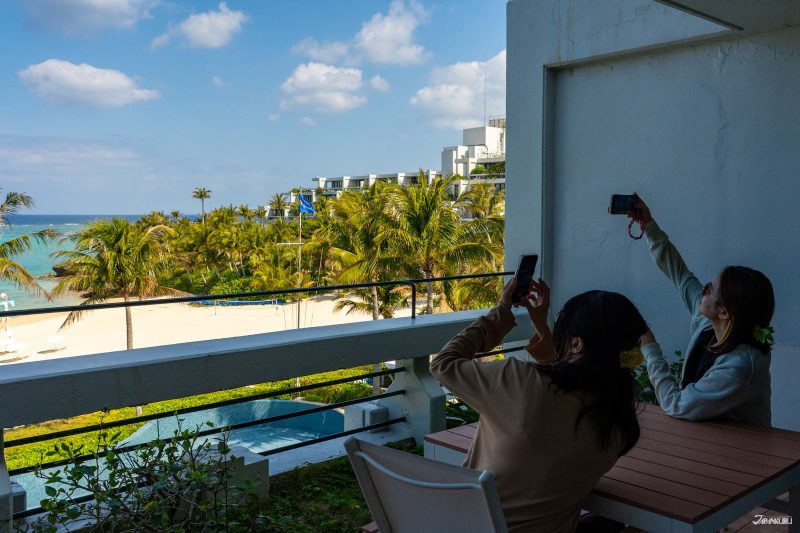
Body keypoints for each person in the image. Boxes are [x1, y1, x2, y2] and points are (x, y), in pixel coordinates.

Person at [430, 277, 646, 532]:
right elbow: (566, 384)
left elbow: (444, 364)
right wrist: (542, 326)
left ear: (576, 344)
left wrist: (502, 312)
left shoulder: (518, 381)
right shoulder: (620, 425)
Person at [631, 198, 774, 425]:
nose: (703, 288)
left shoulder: (741, 365)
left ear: (725, 312)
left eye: (710, 289)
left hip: (739, 447)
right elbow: (681, 275)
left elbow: (676, 404)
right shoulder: (708, 324)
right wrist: (649, 225)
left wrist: (650, 347)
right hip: (703, 436)